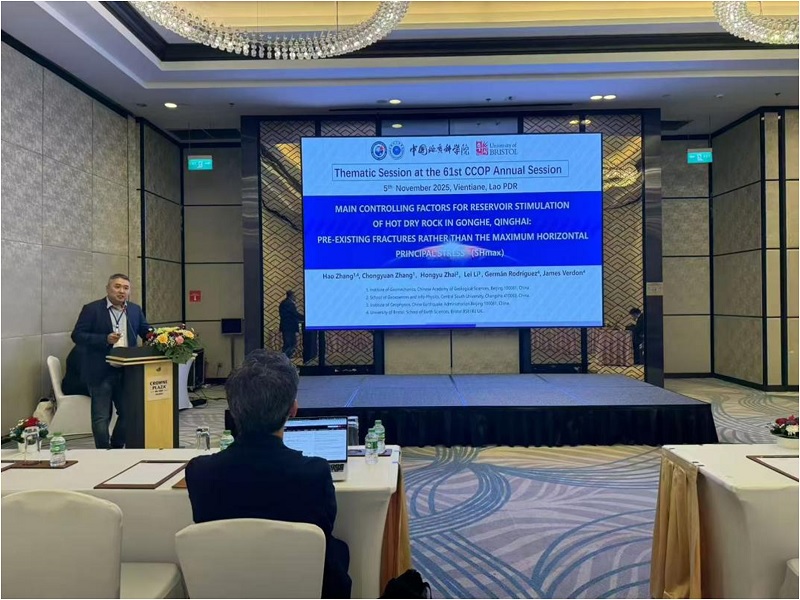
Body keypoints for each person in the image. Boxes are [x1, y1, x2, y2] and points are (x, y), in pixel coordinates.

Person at [185, 350, 351, 599]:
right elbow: (324, 529)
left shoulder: (199, 472)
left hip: (228, 587)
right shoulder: (314, 472)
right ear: (293, 410)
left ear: (233, 410)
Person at [71, 274, 151, 449]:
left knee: (129, 412)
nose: (122, 291)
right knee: (101, 416)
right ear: (108, 289)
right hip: (100, 370)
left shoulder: (134, 310)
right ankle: (103, 450)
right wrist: (104, 339)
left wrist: (167, 337)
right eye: (117, 286)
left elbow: (146, 331)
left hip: (127, 370)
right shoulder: (92, 309)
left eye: (126, 288)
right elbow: (77, 335)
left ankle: (116, 447)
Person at [279, 290, 303, 359]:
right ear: (291, 296)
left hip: (286, 326)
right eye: (294, 296)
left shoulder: (284, 303)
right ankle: (285, 358)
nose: (295, 297)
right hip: (289, 326)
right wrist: (305, 318)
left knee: (288, 344)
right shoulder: (289, 304)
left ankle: (285, 358)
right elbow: (295, 314)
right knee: (290, 344)